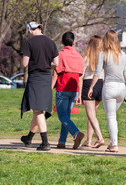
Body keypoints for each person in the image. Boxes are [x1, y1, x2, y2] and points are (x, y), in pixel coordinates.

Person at [88, 30, 126, 153]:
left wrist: (91, 87)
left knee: (111, 117)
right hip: (121, 87)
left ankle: (114, 144)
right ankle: (113, 142)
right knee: (113, 116)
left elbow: (97, 72)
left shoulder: (103, 54)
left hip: (110, 86)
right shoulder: (123, 55)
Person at [20, 22, 59, 151]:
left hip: (35, 77)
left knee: (38, 110)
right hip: (46, 77)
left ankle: (45, 143)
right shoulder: (51, 42)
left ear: (30, 30)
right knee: (39, 110)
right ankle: (29, 138)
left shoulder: (29, 43)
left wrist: (33, 60)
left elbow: (25, 63)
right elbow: (56, 62)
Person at [51, 31, 85, 149]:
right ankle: (62, 141)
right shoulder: (79, 56)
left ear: (61, 42)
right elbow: (81, 77)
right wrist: (80, 93)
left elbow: (55, 74)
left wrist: (50, 88)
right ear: (74, 42)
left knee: (62, 116)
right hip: (74, 89)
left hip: (63, 87)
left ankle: (76, 133)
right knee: (67, 116)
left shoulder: (60, 55)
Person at [81, 35, 105, 148]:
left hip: (88, 83)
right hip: (100, 84)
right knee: (92, 115)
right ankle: (89, 140)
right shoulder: (103, 57)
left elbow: (81, 75)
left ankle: (100, 138)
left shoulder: (86, 57)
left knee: (91, 115)